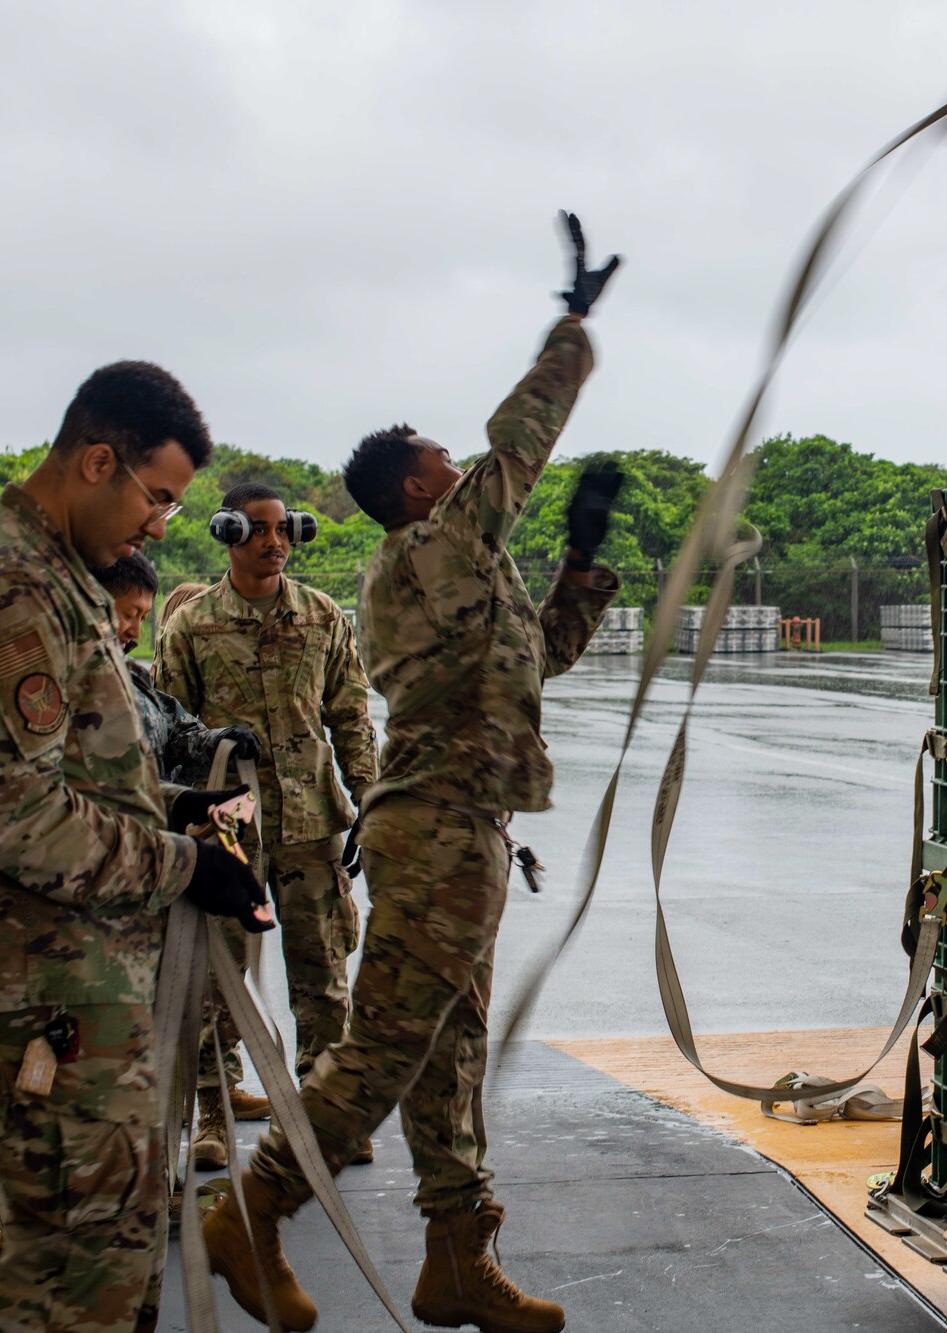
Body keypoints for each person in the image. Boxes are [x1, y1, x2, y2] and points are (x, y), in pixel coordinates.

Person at [202, 213, 624, 1333]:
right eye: (442, 457)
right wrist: (572, 329)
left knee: (447, 1050)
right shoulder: (432, 544)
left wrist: (580, 566)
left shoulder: (452, 565)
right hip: (437, 824)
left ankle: (455, 1254)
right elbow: (519, 440)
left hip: (461, 819)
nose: (460, 462)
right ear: (416, 488)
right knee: (387, 1042)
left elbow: (534, 664)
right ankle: (254, 1208)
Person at [0, 361, 275, 1333]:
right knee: (75, 1270)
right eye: (159, 499)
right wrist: (187, 866)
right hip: (39, 986)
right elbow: (17, 815)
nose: (159, 527)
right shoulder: (10, 590)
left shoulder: (57, 579)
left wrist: (173, 808)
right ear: (99, 461)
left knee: (99, 1251)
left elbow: (82, 767)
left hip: (72, 973)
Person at [157, 483, 378, 1168]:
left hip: (311, 822)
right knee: (214, 974)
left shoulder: (321, 616)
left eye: (284, 529)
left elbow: (350, 712)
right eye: (258, 530)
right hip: (227, 827)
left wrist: (368, 796)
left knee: (322, 972)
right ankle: (213, 1113)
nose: (275, 541)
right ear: (226, 533)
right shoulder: (191, 627)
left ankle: (323, 1114)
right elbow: (167, 728)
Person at [94, 553, 273, 1124]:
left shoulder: (133, 680)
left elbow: (179, 731)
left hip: (145, 895)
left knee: (154, 1050)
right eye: (126, 613)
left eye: (141, 617)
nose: (132, 629)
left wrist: (224, 744)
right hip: (95, 909)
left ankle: (158, 1189)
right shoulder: (63, 688)